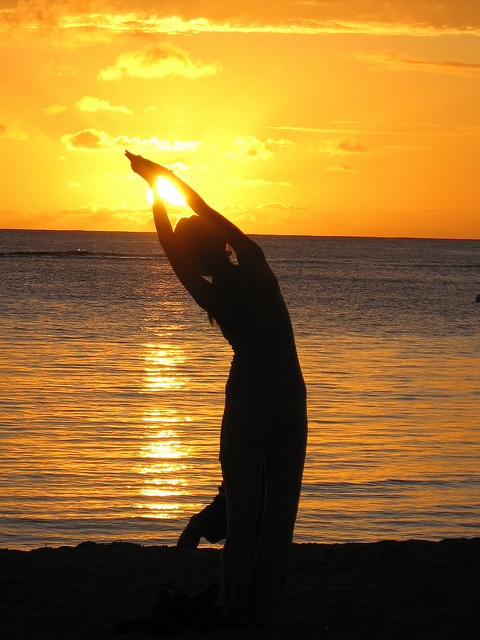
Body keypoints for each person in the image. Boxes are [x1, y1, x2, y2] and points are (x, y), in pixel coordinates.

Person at [126, 150, 307, 626]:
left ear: (196, 256)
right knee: (279, 522)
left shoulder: (208, 292)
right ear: (222, 244)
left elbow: (167, 242)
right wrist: (164, 177)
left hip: (247, 401)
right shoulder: (256, 264)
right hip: (289, 398)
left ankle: (237, 607)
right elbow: (204, 210)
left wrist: (153, 189)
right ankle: (264, 614)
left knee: (243, 519)